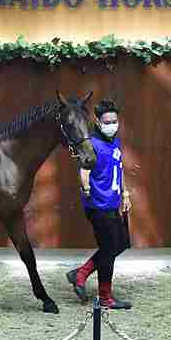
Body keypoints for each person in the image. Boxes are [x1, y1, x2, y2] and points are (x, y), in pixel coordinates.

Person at [65, 98, 133, 309]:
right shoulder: (92, 144)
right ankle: (105, 297)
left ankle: (80, 273)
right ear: (97, 121)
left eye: (114, 121)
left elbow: (118, 168)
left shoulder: (114, 141)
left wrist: (125, 194)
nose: (112, 125)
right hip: (98, 206)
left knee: (120, 244)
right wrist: (86, 189)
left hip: (113, 203)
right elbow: (84, 170)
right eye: (107, 121)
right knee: (109, 251)